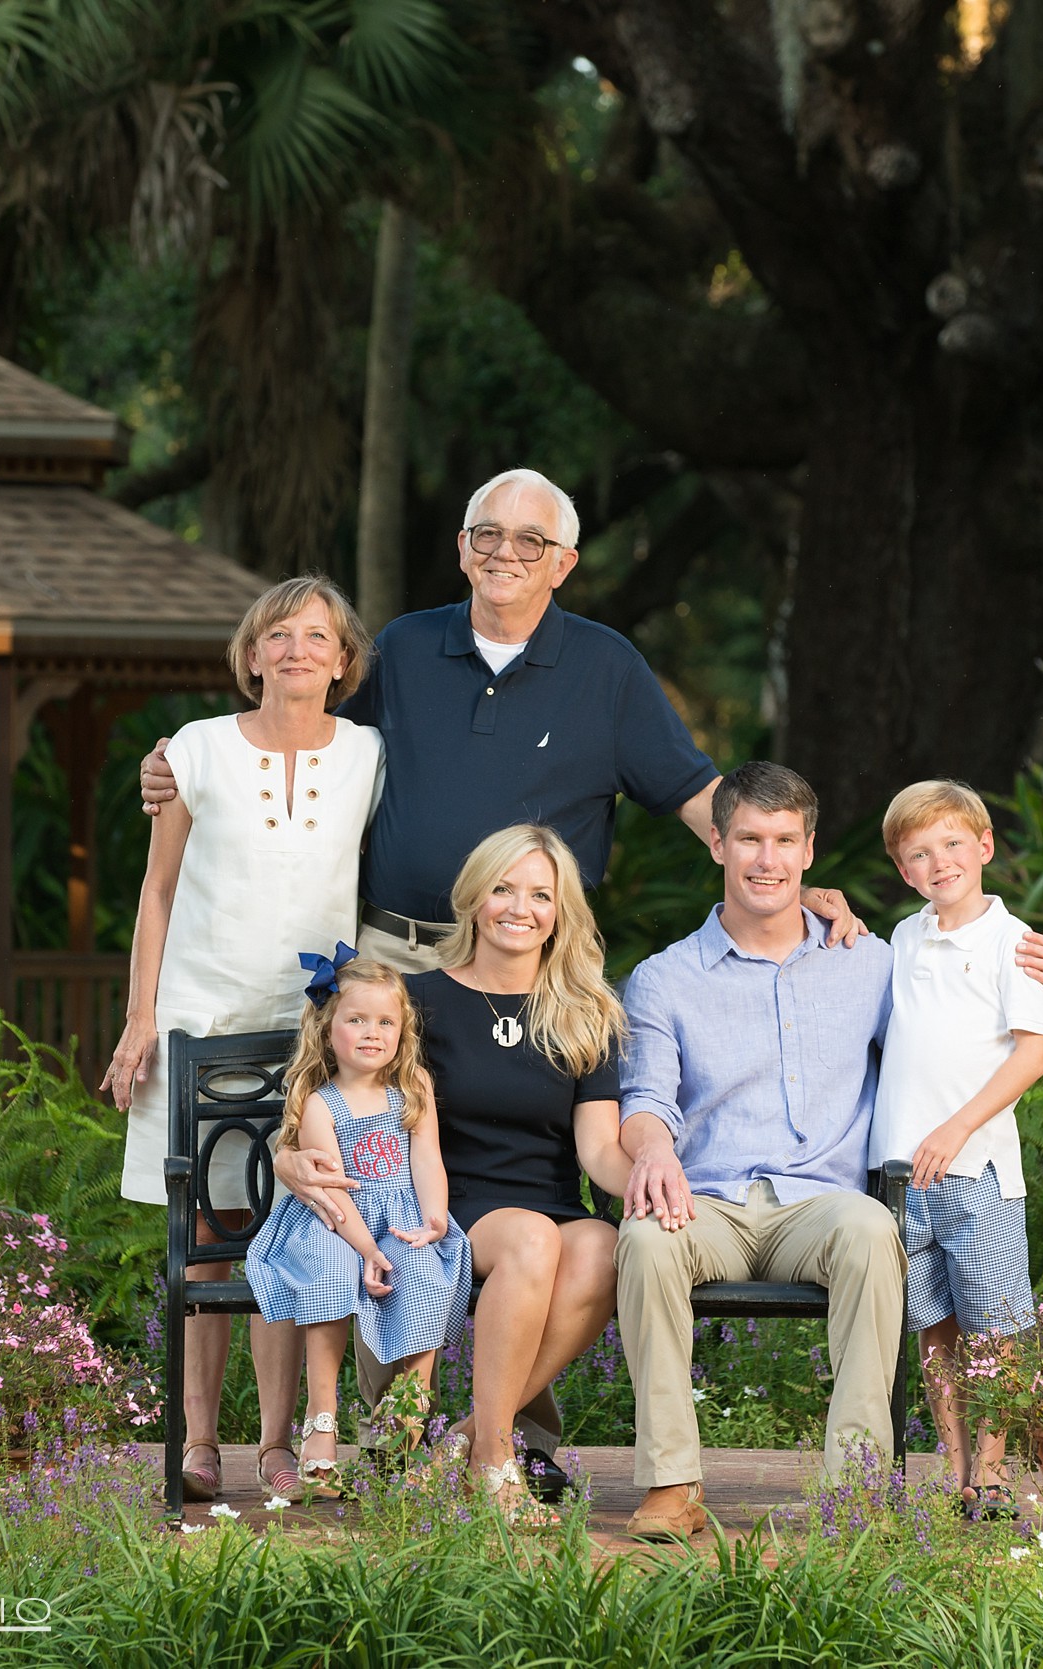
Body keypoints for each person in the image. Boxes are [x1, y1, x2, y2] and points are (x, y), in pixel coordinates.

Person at [141, 467, 912, 1493]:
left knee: (536, 1184)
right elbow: (299, 717)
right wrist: (187, 765)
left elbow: (692, 792)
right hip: (399, 953)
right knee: (387, 1177)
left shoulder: (606, 668)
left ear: (566, 562)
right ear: (461, 547)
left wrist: (778, 874)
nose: (506, 553)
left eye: (530, 542)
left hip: (543, 953)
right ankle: (400, 1435)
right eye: (486, 535)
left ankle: (504, 1438)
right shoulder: (409, 648)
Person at [612, 762, 1043, 1540]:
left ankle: (853, 1492)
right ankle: (671, 1483)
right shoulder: (662, 979)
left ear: (810, 850)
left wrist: (1037, 993)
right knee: (647, 1240)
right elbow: (646, 1096)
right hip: (708, 1199)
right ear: (716, 842)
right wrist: (651, 1148)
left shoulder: (872, 961)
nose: (766, 858)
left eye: (785, 840)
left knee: (869, 1230)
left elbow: (954, 1022)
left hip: (822, 1203)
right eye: (748, 838)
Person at [101, 575, 381, 1503]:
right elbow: (158, 889)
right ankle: (196, 1438)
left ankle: (274, 1443)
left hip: (309, 1030)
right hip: (201, 1020)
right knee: (209, 1236)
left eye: (316, 636)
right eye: (277, 634)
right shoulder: (197, 750)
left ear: (344, 662)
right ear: (251, 653)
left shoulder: (368, 756)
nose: (296, 649)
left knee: (287, 1228)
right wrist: (143, 1015)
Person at [277, 823, 633, 1529]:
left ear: (561, 910)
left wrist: (652, 1174)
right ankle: (496, 1458)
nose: (519, 907)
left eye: (540, 893)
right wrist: (288, 1155)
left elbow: (599, 1149)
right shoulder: (415, 999)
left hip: (550, 1204)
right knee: (534, 1239)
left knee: (604, 1244)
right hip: (440, 1206)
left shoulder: (586, 1010)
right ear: (473, 896)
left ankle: (461, 1439)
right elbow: (325, 1093)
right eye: (503, 888)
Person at [870, 780, 1043, 1519]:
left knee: (994, 1325)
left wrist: (954, 1127)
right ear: (904, 871)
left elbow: (1031, 1053)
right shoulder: (905, 939)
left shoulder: (1018, 943)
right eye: (918, 853)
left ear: (983, 847)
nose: (938, 860)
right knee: (933, 1325)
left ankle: (995, 1469)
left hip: (976, 1168)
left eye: (952, 844)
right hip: (902, 1173)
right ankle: (954, 1474)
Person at [245, 959, 472, 1496]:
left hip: (399, 1215)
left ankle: (404, 1431)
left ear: (403, 1031)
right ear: (327, 1029)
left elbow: (427, 1160)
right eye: (356, 1020)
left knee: (422, 1273)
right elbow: (329, 1193)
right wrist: (367, 1248)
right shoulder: (321, 1100)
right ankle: (322, 1424)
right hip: (334, 1220)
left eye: (385, 1023)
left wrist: (435, 1217)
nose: (372, 1033)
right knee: (331, 1272)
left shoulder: (412, 1085)